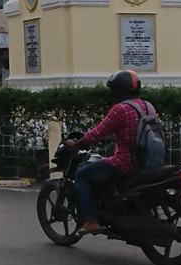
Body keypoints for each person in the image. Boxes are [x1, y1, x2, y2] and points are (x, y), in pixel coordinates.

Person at [63, 69, 157, 235]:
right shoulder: (148, 106)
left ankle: (91, 221)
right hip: (149, 161)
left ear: (116, 90)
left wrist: (76, 145)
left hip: (125, 163)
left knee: (81, 174)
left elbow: (96, 133)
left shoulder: (120, 109)